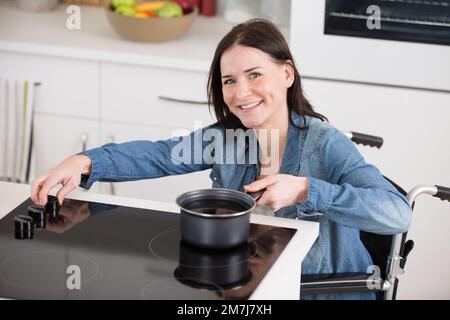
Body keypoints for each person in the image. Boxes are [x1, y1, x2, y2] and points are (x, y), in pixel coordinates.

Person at [31, 19, 412, 299]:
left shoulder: (325, 144)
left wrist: (306, 190)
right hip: (249, 290)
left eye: (255, 74)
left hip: (321, 294)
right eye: (229, 81)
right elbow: (161, 155)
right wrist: (83, 162)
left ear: (287, 74)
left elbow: (397, 213)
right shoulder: (227, 138)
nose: (240, 92)